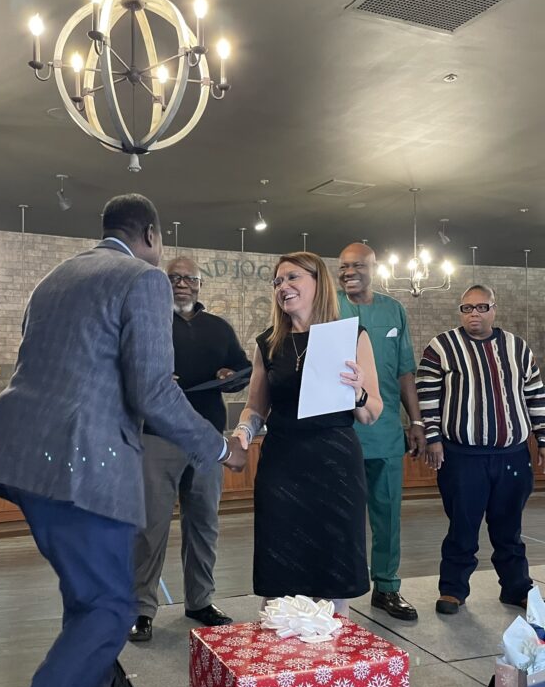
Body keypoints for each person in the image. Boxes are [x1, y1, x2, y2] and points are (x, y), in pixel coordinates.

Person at [0, 194, 246, 687]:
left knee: (85, 603)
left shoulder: (55, 277)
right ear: (151, 233)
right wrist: (220, 446)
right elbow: (152, 391)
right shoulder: (142, 279)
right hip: (80, 461)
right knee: (109, 610)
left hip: (20, 452)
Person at [232, 251, 382, 614]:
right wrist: (242, 433)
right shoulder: (268, 342)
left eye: (292, 277)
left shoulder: (351, 336)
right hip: (282, 465)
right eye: (277, 281)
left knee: (333, 570)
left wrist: (358, 392)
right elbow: (255, 407)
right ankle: (278, 641)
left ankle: (334, 643)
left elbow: (371, 413)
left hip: (336, 465)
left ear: (319, 283)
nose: (283, 286)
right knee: (280, 568)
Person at [130, 256, 251, 641]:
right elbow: (125, 371)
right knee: (150, 527)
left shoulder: (219, 328)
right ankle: (141, 609)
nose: (181, 283)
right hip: (156, 437)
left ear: (200, 285)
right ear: (163, 283)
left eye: (189, 278)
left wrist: (230, 376)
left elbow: (243, 369)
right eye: (174, 277)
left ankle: (200, 601)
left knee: (204, 523)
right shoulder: (148, 323)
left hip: (208, 440)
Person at [416, 284, 545, 615]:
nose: (474, 313)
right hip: (463, 456)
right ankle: (453, 590)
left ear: (494, 309)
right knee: (462, 527)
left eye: (482, 307)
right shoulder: (441, 347)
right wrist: (433, 438)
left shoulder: (518, 347)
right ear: (461, 312)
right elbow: (426, 394)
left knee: (509, 528)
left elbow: (535, 394)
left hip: (512, 454)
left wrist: (543, 438)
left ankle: (517, 588)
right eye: (467, 308)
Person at [337, 242, 424, 621]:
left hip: (386, 431)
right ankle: (337, 586)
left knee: (387, 514)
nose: (349, 272)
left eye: (357, 265)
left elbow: (405, 371)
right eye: (343, 266)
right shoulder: (328, 307)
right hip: (340, 431)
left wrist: (416, 421)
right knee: (341, 515)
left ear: (375, 268)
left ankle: (386, 587)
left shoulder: (394, 310)